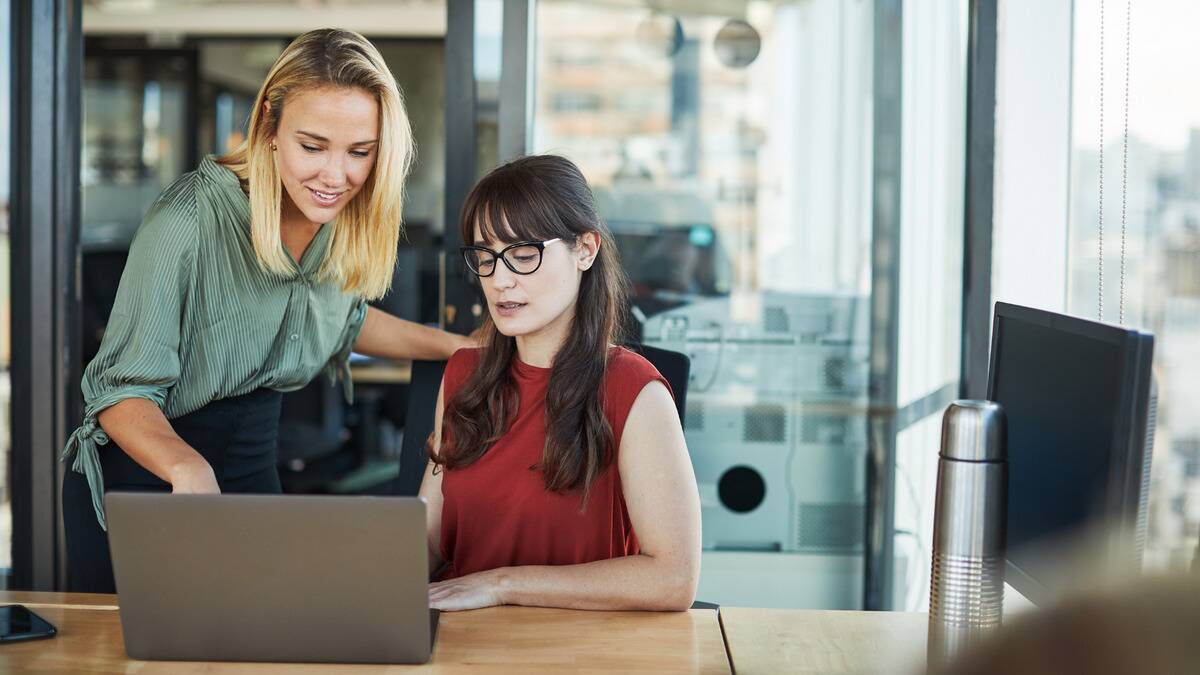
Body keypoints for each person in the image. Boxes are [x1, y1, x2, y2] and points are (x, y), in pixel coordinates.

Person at [61, 28, 471, 594]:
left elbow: (342, 320)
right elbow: (119, 392)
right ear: (269, 130)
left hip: (251, 466)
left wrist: (456, 346)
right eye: (313, 146)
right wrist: (188, 467)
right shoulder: (188, 222)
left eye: (359, 152)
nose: (336, 176)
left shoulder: (336, 221)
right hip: (151, 478)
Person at [419, 154, 702, 612]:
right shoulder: (462, 375)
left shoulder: (635, 391)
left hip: (576, 647)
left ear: (585, 250)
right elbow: (427, 538)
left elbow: (673, 578)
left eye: (524, 255)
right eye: (485, 257)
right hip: (460, 642)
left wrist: (502, 585)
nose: (500, 280)